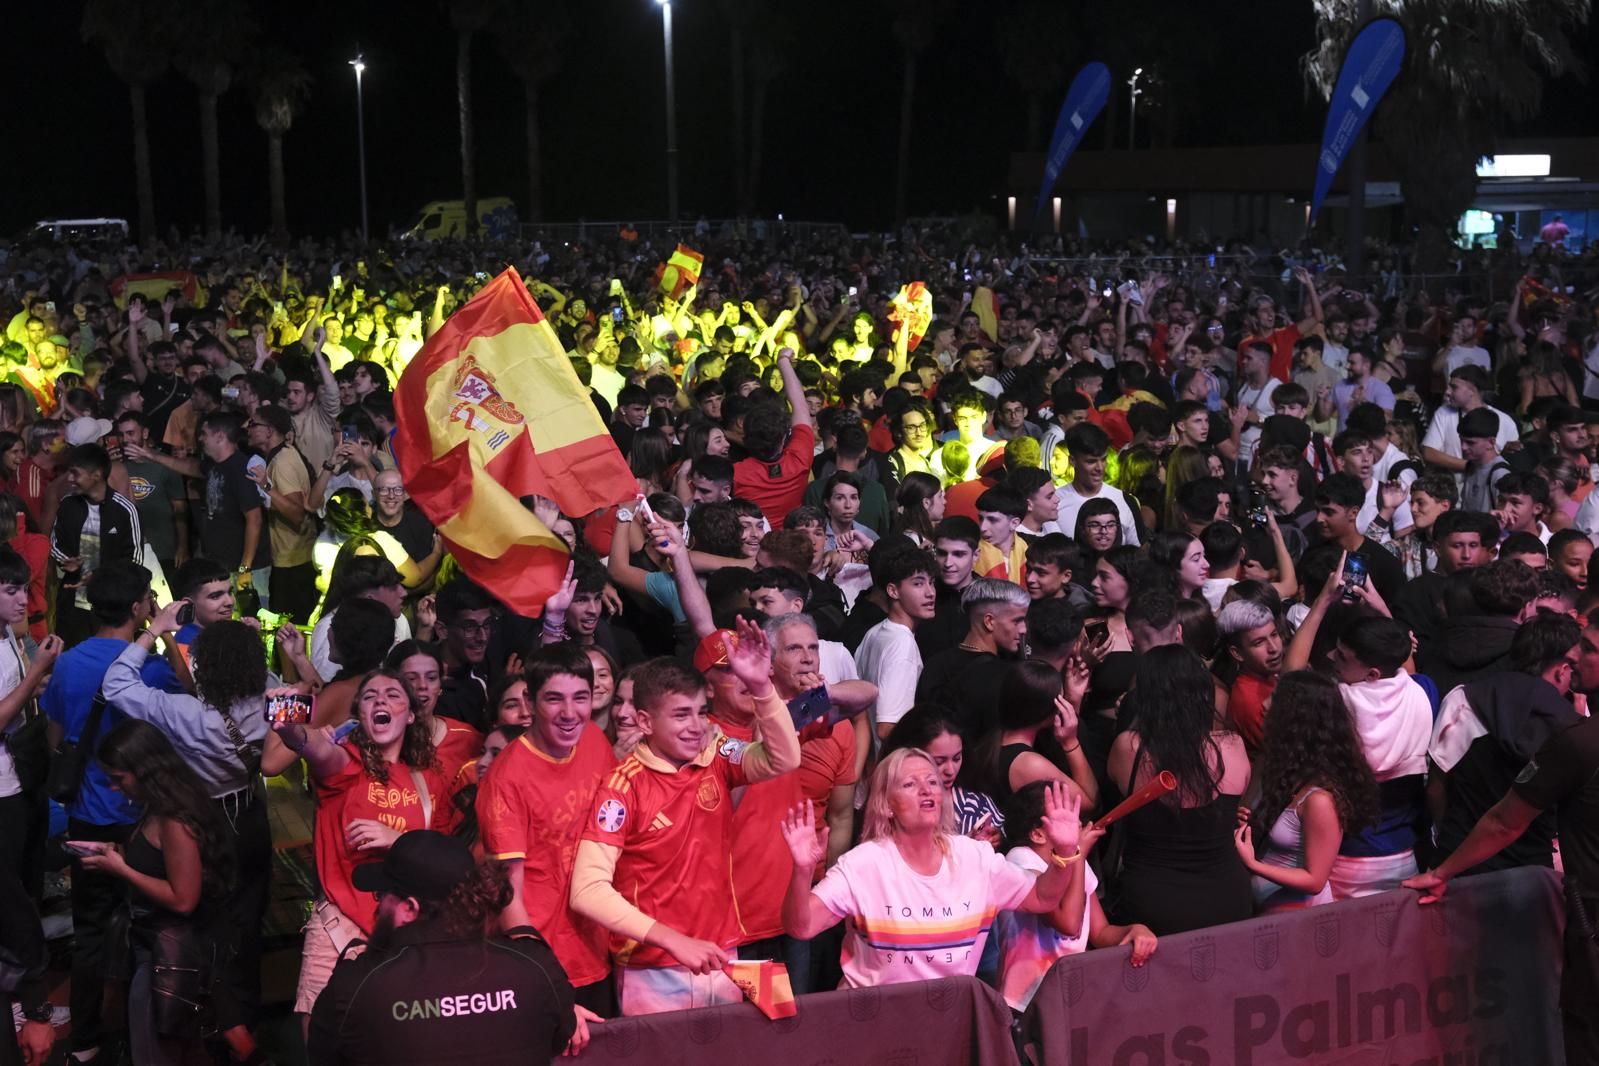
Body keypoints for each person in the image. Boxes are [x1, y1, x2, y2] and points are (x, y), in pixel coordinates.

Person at [568, 620, 801, 1016]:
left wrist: (763, 688)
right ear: (644, 722)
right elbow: (586, 890)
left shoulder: (715, 753)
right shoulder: (622, 787)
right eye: (680, 715)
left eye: (701, 712)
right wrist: (673, 940)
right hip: (654, 969)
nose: (696, 727)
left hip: (724, 956)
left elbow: (785, 758)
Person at [779, 752, 1085, 988]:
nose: (926, 790)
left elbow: (1043, 898)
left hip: (948, 1025)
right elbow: (801, 927)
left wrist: (1066, 851)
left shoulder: (975, 858)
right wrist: (803, 871)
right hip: (873, 1027)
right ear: (887, 805)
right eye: (910, 784)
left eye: (932, 782)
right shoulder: (864, 864)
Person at [272, 669, 457, 1030]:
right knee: (322, 1033)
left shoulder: (430, 779)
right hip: (339, 925)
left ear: (411, 714)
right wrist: (285, 717)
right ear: (359, 714)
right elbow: (306, 743)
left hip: (405, 928)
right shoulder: (346, 762)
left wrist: (398, 840)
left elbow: (445, 859)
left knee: (394, 1035)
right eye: (370, 696)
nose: (381, 701)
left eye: (392, 695)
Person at [307, 831, 585, 1065]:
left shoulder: (355, 988)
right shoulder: (536, 968)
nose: (379, 907)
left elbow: (322, 1056)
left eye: (382, 896)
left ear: (409, 907)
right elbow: (559, 1035)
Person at [70, 720, 235, 1066]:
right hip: (152, 946)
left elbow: (183, 898)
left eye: (119, 779)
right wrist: (114, 852)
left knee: (158, 1051)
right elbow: (158, 863)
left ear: (144, 769)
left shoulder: (175, 820)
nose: (114, 789)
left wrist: (122, 870)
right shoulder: (156, 806)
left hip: (171, 955)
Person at [475, 646, 618, 1014]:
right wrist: (547, 984)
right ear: (529, 700)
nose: (569, 714)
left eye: (580, 698)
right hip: (542, 963)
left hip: (596, 948)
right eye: (554, 699)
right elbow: (509, 894)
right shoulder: (507, 778)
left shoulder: (594, 742)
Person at [1108, 645, 1253, 934]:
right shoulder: (1233, 747)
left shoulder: (1129, 748)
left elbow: (1111, 792)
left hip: (1152, 906)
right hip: (1226, 898)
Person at [1426, 613, 1583, 876]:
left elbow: (1435, 788)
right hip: (1532, 868)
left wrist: (1446, 834)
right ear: (1562, 670)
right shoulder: (1573, 725)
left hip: (1458, 861)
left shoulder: (1464, 698)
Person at [995, 782, 1156, 1016]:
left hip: (1069, 995)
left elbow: (1100, 934)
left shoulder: (1075, 861)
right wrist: (1076, 855)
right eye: (1064, 818)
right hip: (1024, 1005)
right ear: (1037, 833)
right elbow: (1068, 924)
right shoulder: (1020, 861)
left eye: (1074, 816)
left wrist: (1134, 930)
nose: (1077, 824)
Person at [1234, 671, 1378, 912]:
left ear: (1298, 718)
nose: (1266, 705)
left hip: (1297, 919)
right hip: (1269, 911)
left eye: (1276, 699)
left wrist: (1252, 863)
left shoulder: (1320, 800)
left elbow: (1315, 880)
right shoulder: (1288, 774)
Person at [915, 578, 1029, 740]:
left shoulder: (935, 665)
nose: (1023, 629)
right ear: (989, 621)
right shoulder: (1006, 677)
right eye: (1017, 620)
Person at [854, 546, 938, 738]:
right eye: (918, 584)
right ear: (893, 590)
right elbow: (887, 728)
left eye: (932, 583)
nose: (930, 592)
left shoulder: (876, 632)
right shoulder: (902, 643)